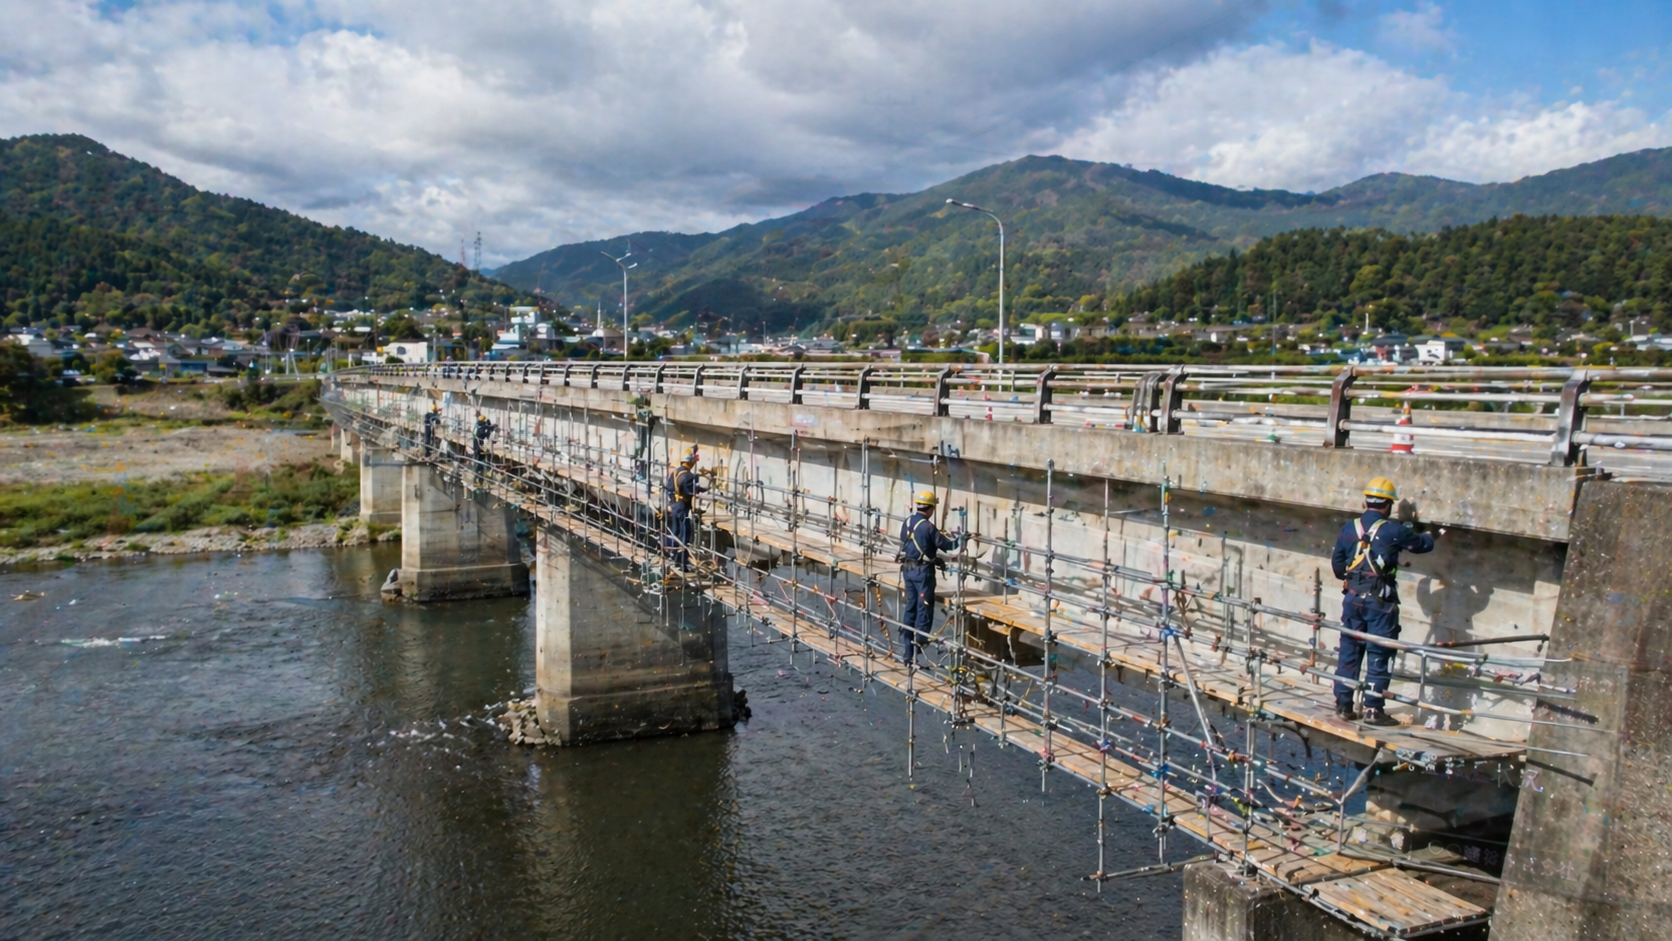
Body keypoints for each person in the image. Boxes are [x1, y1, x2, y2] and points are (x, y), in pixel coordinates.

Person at [1331, 476, 1437, 725]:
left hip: (1353, 600)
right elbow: (1423, 545)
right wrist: (1433, 534)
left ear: (1365, 501)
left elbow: (1338, 568)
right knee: (1379, 652)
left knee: (1349, 650)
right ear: (1388, 505)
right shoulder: (1393, 530)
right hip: (1380, 603)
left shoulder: (1348, 528)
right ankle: (1373, 709)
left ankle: (1343, 704)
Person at [898, 491, 963, 667]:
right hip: (922, 573)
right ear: (931, 508)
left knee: (910, 607)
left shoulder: (907, 522)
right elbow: (948, 545)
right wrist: (962, 539)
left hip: (908, 570)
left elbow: (906, 541)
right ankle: (919, 645)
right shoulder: (927, 527)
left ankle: (907, 653)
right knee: (924, 610)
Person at [666, 452, 708, 571]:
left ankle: (672, 557)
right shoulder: (688, 476)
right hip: (683, 506)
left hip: (674, 505)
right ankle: (682, 564)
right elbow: (690, 490)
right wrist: (705, 489)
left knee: (675, 531)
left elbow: (669, 488)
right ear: (690, 463)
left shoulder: (675, 472)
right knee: (685, 535)